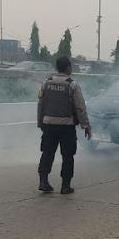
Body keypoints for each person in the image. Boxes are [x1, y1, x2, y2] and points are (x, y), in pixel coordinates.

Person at [37, 56, 92, 194]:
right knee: (68, 156)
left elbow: (40, 104)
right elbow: (80, 107)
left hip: (49, 125)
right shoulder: (72, 84)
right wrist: (86, 125)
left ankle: (43, 181)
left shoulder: (46, 83)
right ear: (68, 67)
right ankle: (65, 186)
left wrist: (40, 122)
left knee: (47, 153)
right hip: (67, 127)